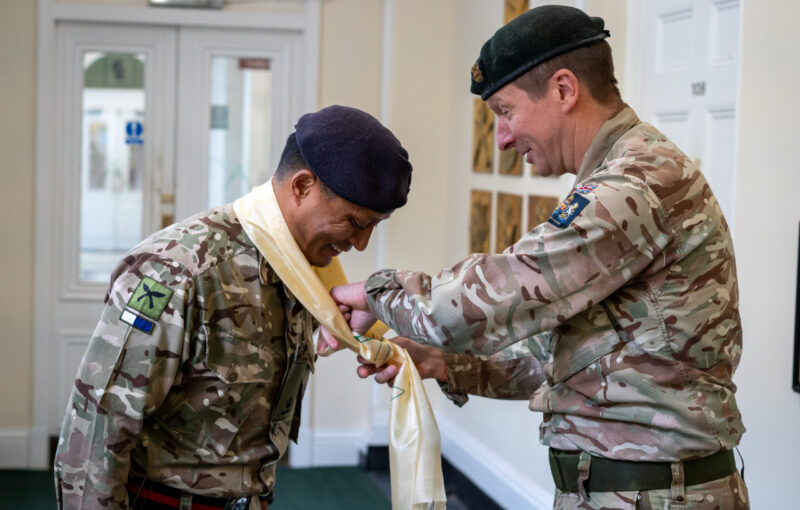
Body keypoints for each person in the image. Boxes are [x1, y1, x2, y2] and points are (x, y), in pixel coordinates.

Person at [322, 5, 749, 509]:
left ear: (565, 91)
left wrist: (377, 292)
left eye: (505, 111)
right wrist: (441, 362)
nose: (501, 138)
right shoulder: (622, 174)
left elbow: (498, 292)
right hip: (629, 489)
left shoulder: (636, 185)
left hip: (655, 495)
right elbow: (565, 361)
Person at [54, 105, 412, 510]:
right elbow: (96, 432)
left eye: (372, 226)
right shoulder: (179, 270)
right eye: (353, 222)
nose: (360, 243)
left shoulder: (304, 272)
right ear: (302, 186)